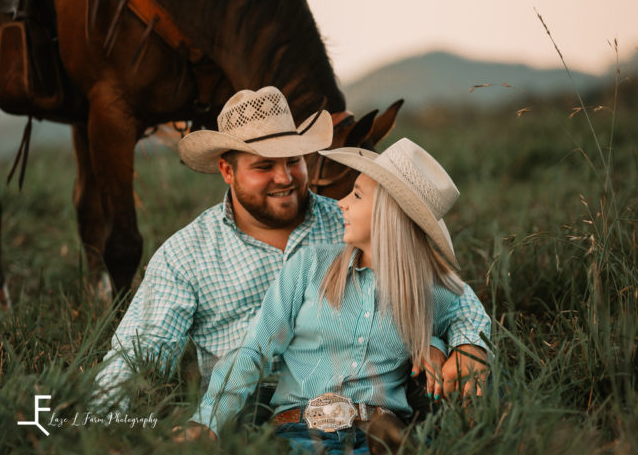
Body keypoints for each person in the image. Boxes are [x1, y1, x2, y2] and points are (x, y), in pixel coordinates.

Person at [92, 87, 470, 417]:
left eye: (293, 160)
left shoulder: (349, 223)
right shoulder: (187, 254)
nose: (285, 177)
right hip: (244, 402)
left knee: (437, 396)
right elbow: (140, 351)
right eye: (264, 166)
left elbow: (445, 290)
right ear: (227, 170)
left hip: (362, 392)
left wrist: (466, 343)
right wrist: (101, 418)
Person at [181, 138, 492, 455]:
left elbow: (468, 311)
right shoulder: (309, 266)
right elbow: (254, 350)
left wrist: (463, 345)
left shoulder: (426, 287)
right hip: (302, 425)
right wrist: (206, 422)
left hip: (376, 425)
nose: (341, 203)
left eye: (356, 195)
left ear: (389, 214)